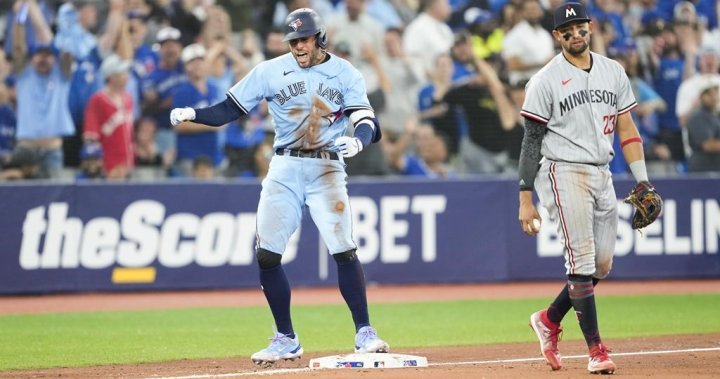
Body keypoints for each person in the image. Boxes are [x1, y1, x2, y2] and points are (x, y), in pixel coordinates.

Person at [169, 8, 389, 365]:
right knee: (267, 254)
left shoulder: (345, 71)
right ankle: (286, 338)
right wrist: (194, 113)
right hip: (284, 166)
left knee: (343, 248)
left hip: (327, 167)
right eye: (293, 41)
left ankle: (364, 331)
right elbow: (229, 109)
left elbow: (367, 120)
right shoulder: (270, 70)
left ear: (320, 38)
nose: (298, 46)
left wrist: (360, 141)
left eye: (304, 39)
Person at [517, 3, 657, 375]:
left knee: (603, 262)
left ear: (590, 28)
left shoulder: (613, 71)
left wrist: (642, 179)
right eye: (568, 30)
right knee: (580, 259)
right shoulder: (544, 80)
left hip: (602, 170)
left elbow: (626, 128)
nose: (575, 34)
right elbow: (531, 141)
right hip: (562, 170)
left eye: (581, 27)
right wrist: (525, 197)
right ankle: (596, 350)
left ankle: (548, 319)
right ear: (556, 36)